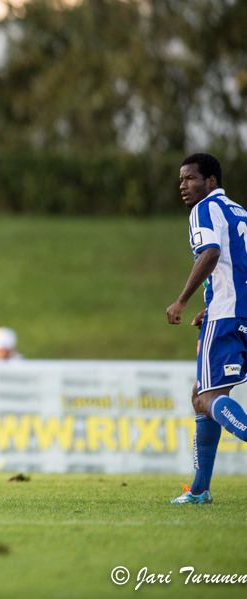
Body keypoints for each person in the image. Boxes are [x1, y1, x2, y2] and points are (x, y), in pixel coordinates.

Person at [166, 152, 247, 505]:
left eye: (190, 178)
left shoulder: (203, 209)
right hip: (237, 311)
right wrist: (210, 305)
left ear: (210, 181)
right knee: (203, 393)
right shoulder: (239, 212)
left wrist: (182, 300)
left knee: (206, 397)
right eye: (181, 179)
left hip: (228, 316)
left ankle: (200, 490)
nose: (183, 185)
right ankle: (199, 490)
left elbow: (210, 253)